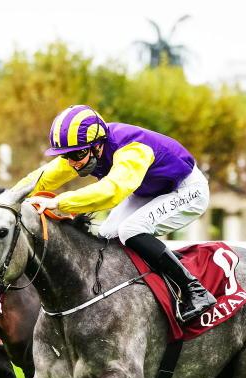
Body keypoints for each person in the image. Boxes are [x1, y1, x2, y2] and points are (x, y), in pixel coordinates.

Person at [22, 105, 216, 323]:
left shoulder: (132, 150)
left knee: (130, 230)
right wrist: (7, 199)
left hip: (186, 189)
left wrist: (58, 202)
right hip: (149, 191)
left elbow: (111, 192)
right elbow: (41, 178)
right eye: (66, 156)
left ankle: (194, 289)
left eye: (76, 154)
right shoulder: (84, 150)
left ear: (97, 145)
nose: (72, 162)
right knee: (106, 234)